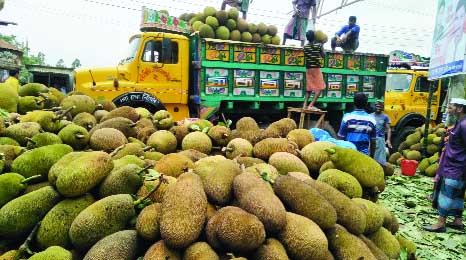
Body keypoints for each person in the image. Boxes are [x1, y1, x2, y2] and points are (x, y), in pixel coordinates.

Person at [423, 98, 466, 233]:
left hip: (456, 166)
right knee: (457, 194)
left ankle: (440, 223)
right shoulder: (459, 123)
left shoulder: (464, 125)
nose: (448, 110)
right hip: (454, 165)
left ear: (459, 109)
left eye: (451, 107)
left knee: (446, 194)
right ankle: (458, 221)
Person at [338, 92, 377, 157]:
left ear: (354, 103)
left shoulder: (347, 118)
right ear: (366, 103)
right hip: (363, 156)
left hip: (349, 153)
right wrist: (371, 156)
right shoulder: (372, 119)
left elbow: (341, 138)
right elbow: (373, 141)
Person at [303, 30, 325, 110]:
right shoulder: (319, 45)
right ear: (315, 37)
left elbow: (307, 55)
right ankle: (311, 105)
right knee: (320, 87)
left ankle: (305, 104)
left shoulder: (305, 47)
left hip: (308, 69)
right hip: (316, 68)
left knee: (309, 88)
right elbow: (323, 56)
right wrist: (322, 45)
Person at [372, 100, 392, 166]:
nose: (378, 107)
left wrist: (388, 140)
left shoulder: (385, 117)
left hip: (380, 140)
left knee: (381, 160)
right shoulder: (370, 116)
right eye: (377, 106)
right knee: (371, 158)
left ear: (382, 107)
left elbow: (388, 129)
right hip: (371, 139)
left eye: (380, 106)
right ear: (374, 106)